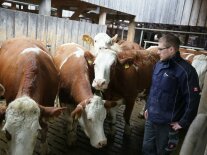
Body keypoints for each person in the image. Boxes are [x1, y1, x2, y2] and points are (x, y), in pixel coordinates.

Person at [142, 33, 201, 155]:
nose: (158, 52)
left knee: (162, 152)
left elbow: (193, 99)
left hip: (168, 124)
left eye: (160, 49)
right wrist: (147, 108)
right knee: (146, 149)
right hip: (151, 119)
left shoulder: (186, 71)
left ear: (171, 49)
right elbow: (153, 89)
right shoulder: (158, 65)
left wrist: (183, 122)